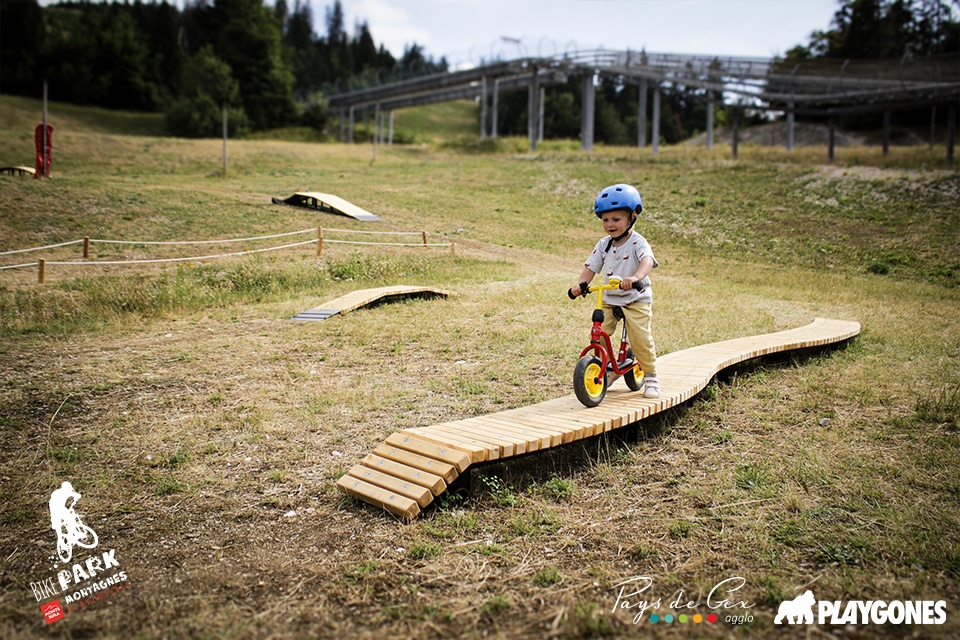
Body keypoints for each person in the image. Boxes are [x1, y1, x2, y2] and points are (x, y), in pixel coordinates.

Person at [571, 183, 660, 398]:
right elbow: (590, 267)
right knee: (599, 333)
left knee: (639, 337)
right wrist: (581, 285)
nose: (610, 224)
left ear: (631, 218)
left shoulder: (637, 242)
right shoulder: (604, 244)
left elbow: (647, 261)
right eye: (605, 220)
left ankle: (650, 376)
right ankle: (605, 368)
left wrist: (636, 278)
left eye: (616, 219)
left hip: (635, 297)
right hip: (610, 298)